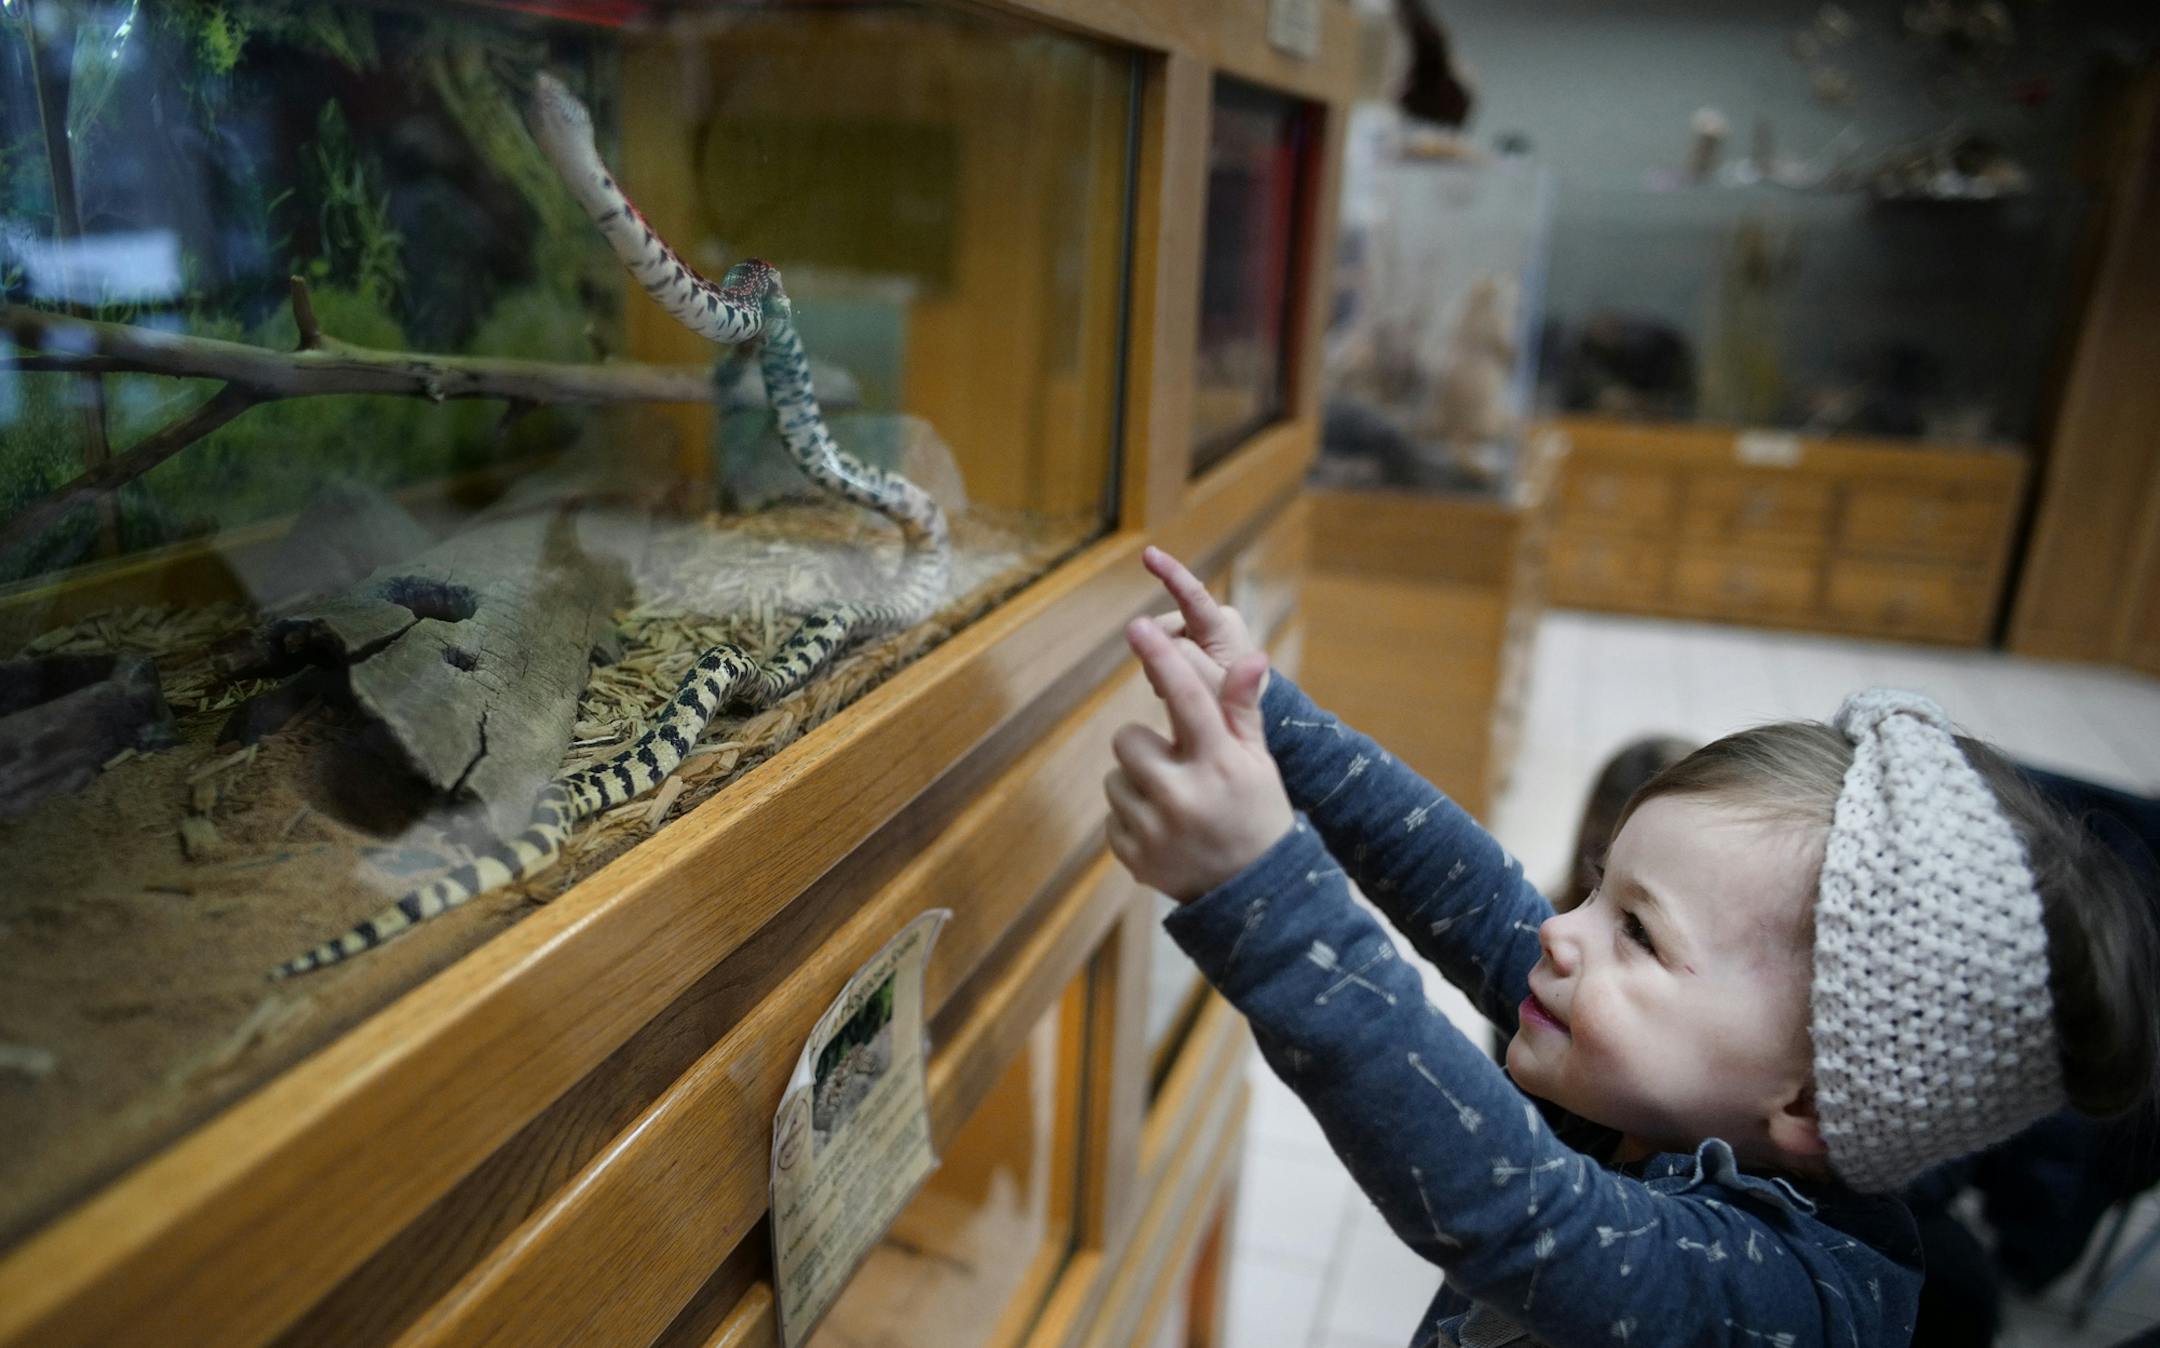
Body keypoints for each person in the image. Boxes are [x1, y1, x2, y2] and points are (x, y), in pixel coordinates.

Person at [1102, 545, 2158, 1348]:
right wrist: (1273, 711)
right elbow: (1466, 886)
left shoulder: (1800, 1295)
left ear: (1808, 1104)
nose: (1562, 931)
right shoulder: (1664, 1077)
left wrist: (1261, 891)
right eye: (1602, 888)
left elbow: (1514, 1210)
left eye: (1639, 932)